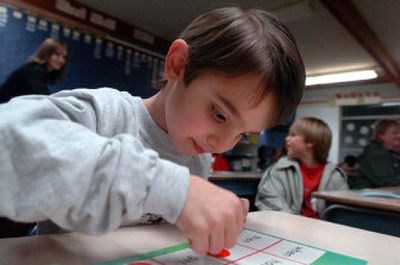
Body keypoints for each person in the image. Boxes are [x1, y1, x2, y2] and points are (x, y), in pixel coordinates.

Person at [0, 7, 304, 255]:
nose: (223, 145)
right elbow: (7, 135)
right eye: (219, 114)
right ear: (178, 64)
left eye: (243, 133)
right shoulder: (105, 114)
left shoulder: (198, 159)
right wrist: (172, 189)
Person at [255, 117, 348, 218]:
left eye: (293, 135)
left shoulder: (335, 176)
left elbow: (342, 213)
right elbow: (268, 201)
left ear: (310, 142)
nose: (287, 138)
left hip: (324, 231)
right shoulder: (278, 170)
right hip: (287, 229)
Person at [0, 37, 68, 103]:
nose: (61, 60)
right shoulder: (34, 70)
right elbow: (45, 99)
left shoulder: (40, 72)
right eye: (57, 54)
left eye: (64, 57)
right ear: (46, 53)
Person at [349, 119, 400, 189]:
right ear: (381, 136)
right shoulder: (377, 154)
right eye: (394, 133)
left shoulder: (391, 153)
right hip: (365, 196)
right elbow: (386, 181)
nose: (399, 136)